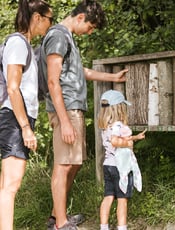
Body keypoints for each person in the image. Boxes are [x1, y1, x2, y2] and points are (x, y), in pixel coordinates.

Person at [40, 1, 128, 229]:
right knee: (64, 164)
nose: (90, 32)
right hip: (65, 109)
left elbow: (81, 73)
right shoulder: (58, 36)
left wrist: (113, 78)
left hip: (73, 109)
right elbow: (52, 80)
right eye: (90, 27)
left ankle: (55, 216)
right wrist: (65, 122)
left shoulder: (67, 38)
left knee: (74, 162)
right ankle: (60, 223)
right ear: (80, 18)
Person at [0, 1, 53, 230]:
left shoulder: (26, 46)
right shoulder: (18, 43)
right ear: (38, 17)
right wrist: (25, 127)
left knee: (6, 184)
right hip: (14, 118)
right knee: (12, 184)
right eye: (50, 19)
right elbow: (13, 87)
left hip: (16, 117)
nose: (51, 25)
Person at [98, 90, 146, 230]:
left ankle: (104, 227)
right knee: (122, 199)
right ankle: (122, 227)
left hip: (108, 165)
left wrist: (135, 138)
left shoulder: (106, 126)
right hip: (120, 167)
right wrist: (128, 144)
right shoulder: (118, 125)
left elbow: (115, 138)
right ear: (119, 108)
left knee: (108, 196)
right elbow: (115, 141)